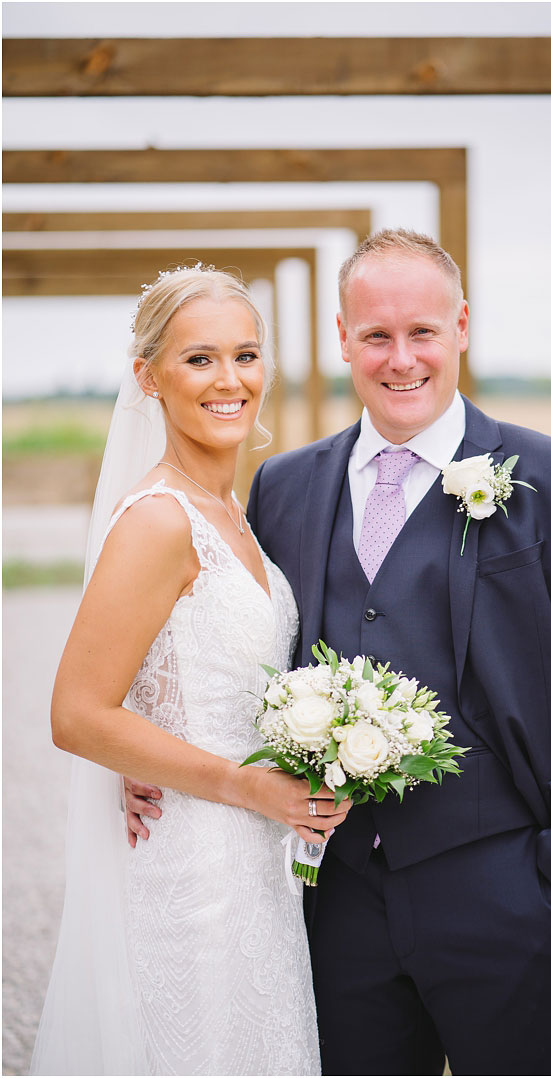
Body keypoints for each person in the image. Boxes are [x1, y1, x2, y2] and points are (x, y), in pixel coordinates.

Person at [128, 229, 551, 1074]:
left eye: (423, 333)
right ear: (343, 338)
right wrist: (151, 749)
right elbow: (241, 648)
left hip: (509, 883)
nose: (401, 358)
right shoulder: (285, 485)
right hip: (330, 894)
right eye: (376, 335)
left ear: (463, 328)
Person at [33, 266, 349, 1074]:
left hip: (258, 867)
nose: (230, 380)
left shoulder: (234, 515)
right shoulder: (158, 522)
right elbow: (77, 713)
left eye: (246, 355)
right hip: (194, 870)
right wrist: (247, 785)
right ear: (149, 378)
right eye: (199, 359)